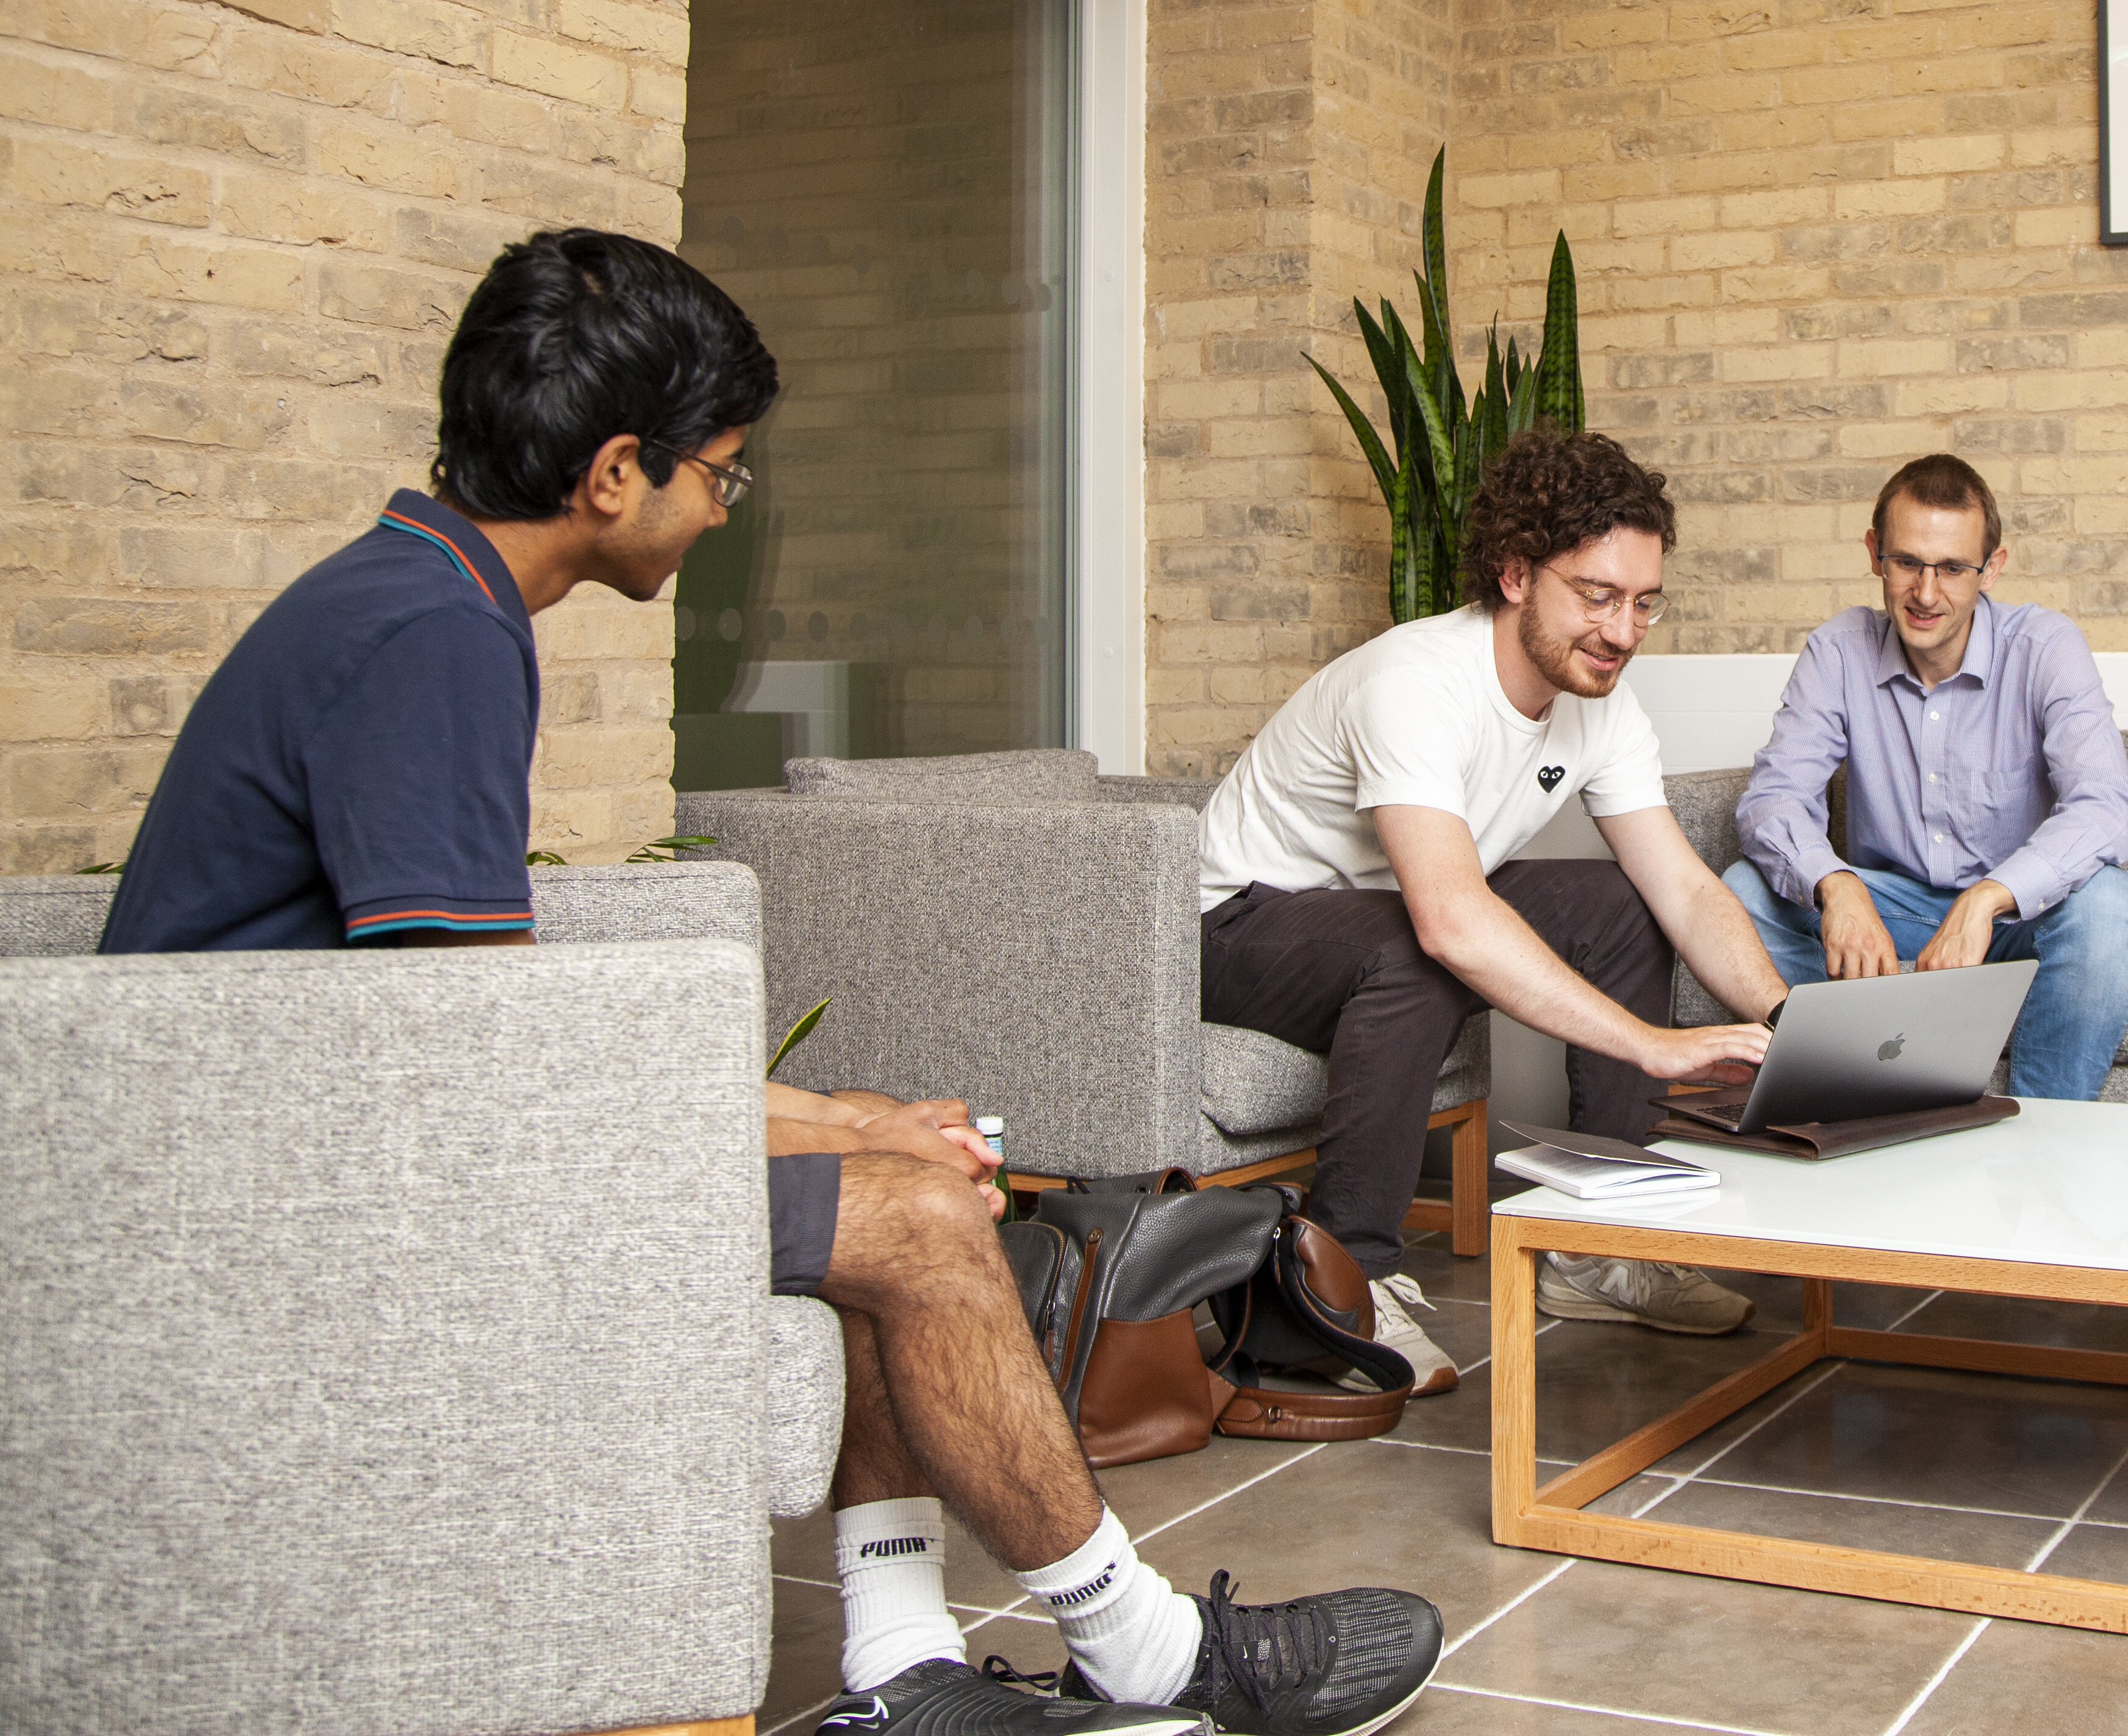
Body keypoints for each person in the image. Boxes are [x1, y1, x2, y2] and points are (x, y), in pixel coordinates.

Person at [101, 229, 1442, 1735]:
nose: (723, 511)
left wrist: (838, 1114)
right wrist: (842, 1137)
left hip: (347, 1150)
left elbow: (486, 1035)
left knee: (894, 1175)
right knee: (926, 1213)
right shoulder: (431, 635)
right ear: (617, 471)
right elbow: (487, 1066)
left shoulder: (420, 593)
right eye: (721, 472)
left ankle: (901, 1669)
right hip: (312, 1212)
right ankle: (1143, 1651)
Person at [1197, 429, 1790, 1376]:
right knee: (1421, 948)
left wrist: (1789, 1020)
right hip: (1236, 923)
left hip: (1391, 903)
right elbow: (1449, 920)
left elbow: (1680, 885)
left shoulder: (1603, 706)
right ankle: (1343, 1283)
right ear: (1516, 575)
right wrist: (1651, 1044)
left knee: (1623, 903)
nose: (1624, 633)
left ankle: (1594, 1251)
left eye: (1644, 604)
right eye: (1595, 597)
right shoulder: (1416, 683)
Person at [1722, 455, 2128, 1101]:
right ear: (1875, 554)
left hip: (2012, 922)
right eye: (1907, 563)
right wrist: (1836, 887)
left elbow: (2109, 809)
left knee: (2108, 902)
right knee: (1743, 894)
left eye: (1952, 568)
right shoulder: (1839, 651)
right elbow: (1773, 800)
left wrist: (1988, 897)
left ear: (1992, 568)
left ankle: (2043, 1138)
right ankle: (1861, 1086)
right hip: (1891, 912)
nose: (1926, 593)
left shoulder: (2045, 646)